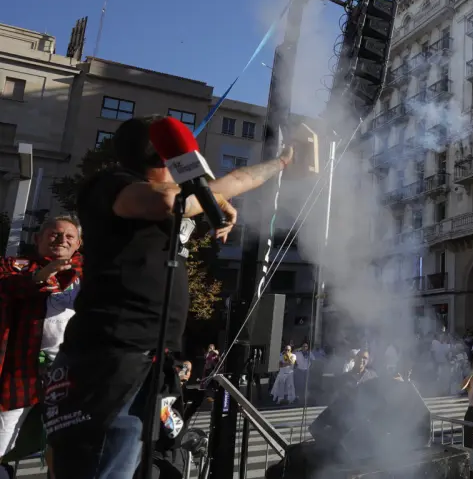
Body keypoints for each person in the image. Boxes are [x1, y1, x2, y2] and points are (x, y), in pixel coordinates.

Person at [44, 115, 291, 479]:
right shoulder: (110, 184)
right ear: (167, 159)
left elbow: (236, 181)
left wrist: (281, 163)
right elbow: (167, 200)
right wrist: (211, 194)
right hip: (112, 360)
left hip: (146, 360)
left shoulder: (159, 194)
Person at [0, 217, 84, 471]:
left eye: (69, 236)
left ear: (79, 243)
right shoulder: (15, 266)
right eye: (54, 234)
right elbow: (10, 287)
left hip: (73, 374)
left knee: (71, 450)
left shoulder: (91, 274)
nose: (62, 240)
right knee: (3, 436)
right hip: (20, 371)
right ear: (37, 239)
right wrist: (44, 275)